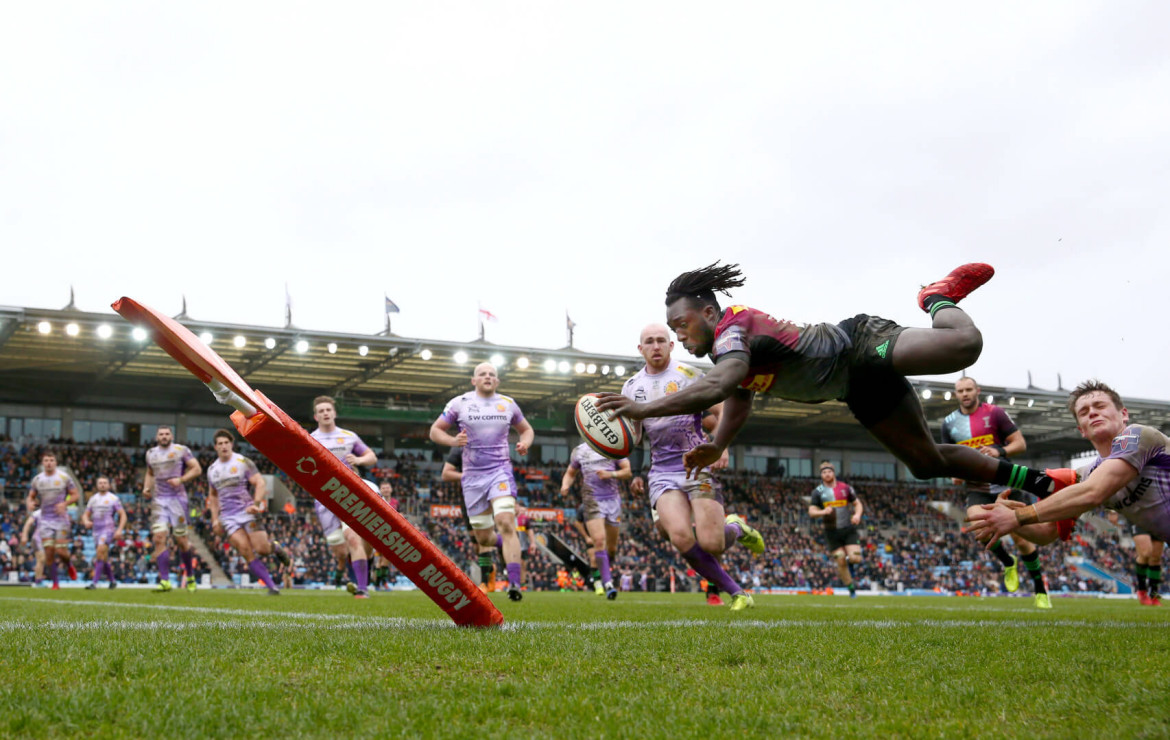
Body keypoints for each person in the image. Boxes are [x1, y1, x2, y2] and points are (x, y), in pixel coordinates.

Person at [594, 262, 1070, 502]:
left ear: (709, 312)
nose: (678, 333)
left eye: (681, 323)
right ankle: (1042, 483)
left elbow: (723, 385)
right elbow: (737, 401)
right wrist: (718, 446)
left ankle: (935, 297)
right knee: (926, 463)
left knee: (965, 346)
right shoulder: (726, 352)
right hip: (856, 388)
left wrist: (641, 409)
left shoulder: (733, 327)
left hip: (859, 343)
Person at [621, 323, 765, 612]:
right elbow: (634, 437)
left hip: (696, 466)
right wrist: (636, 472)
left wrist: (718, 445)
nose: (656, 346)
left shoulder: (689, 375)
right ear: (640, 349)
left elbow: (722, 410)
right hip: (662, 472)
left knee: (712, 543)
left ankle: (735, 527)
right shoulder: (631, 387)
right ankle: (736, 593)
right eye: (649, 341)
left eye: (662, 340)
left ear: (671, 345)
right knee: (679, 536)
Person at [966, 382, 1170, 583]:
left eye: (1100, 406)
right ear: (1081, 429)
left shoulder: (1139, 435)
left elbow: (1093, 492)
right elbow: (1045, 534)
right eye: (1084, 412)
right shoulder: (1086, 475)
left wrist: (1017, 516)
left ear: (1123, 414)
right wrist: (1004, 517)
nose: (1092, 413)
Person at [430, 362, 534, 601]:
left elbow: (526, 429)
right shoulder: (459, 403)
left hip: (500, 472)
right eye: (482, 374)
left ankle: (515, 584)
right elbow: (435, 430)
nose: (487, 377)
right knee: (484, 539)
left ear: (497, 381)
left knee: (507, 522)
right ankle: (504, 545)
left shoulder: (508, 404)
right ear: (473, 380)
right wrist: (452, 441)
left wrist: (524, 442)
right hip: (473, 478)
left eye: (492, 374)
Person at [943, 377, 1051, 608]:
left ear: (977, 391)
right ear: (956, 394)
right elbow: (948, 459)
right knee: (978, 527)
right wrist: (954, 474)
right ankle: (1007, 561)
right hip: (977, 487)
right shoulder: (949, 423)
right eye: (960, 390)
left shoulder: (995, 413)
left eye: (969, 389)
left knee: (1022, 541)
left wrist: (998, 450)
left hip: (1006, 484)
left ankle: (1040, 589)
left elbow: (1019, 444)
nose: (965, 394)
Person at [308, 395, 378, 597]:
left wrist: (358, 459)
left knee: (354, 539)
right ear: (316, 416)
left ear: (334, 413)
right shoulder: (310, 439)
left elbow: (371, 456)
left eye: (328, 410)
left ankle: (362, 589)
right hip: (324, 498)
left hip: (349, 493)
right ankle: (360, 566)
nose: (325, 413)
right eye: (321, 411)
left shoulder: (349, 436)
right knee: (340, 551)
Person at [207, 429, 287, 595]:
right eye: (220, 443)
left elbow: (260, 482)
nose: (224, 446)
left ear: (232, 444)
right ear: (215, 447)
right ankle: (271, 586)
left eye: (226, 443)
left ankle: (276, 548)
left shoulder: (243, 461)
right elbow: (213, 496)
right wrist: (215, 519)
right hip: (229, 518)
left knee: (262, 549)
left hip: (248, 511)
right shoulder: (212, 470)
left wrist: (256, 504)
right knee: (245, 550)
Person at [561, 443, 631, 598]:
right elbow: (570, 473)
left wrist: (610, 474)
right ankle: (608, 583)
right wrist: (565, 485)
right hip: (591, 500)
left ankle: (605, 571)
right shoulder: (579, 450)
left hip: (612, 501)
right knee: (599, 542)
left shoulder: (613, 446)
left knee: (611, 548)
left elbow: (627, 471)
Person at [143, 426, 202, 592]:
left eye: (167, 434)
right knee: (159, 537)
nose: (164, 436)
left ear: (172, 436)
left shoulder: (180, 450)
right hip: (159, 500)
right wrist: (147, 487)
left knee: (182, 541)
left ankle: (190, 576)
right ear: (156, 437)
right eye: (161, 434)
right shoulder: (151, 454)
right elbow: (149, 473)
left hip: (177, 500)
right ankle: (165, 581)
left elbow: (197, 469)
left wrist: (181, 480)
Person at [808, 461, 863, 598]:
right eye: (823, 472)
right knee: (840, 560)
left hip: (847, 529)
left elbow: (857, 504)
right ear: (821, 475)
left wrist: (857, 514)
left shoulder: (845, 488)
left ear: (833, 473)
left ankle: (851, 565)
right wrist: (823, 512)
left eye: (829, 471)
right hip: (831, 532)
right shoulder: (818, 492)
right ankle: (851, 589)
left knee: (856, 559)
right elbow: (812, 511)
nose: (826, 474)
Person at [26, 450, 79, 589]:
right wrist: (29, 503)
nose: (49, 463)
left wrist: (65, 504)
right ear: (43, 463)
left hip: (61, 519)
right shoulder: (38, 479)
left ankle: (69, 565)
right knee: (49, 552)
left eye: (51, 460)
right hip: (45, 520)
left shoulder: (64, 477)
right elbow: (31, 496)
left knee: (61, 552)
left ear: (56, 462)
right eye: (46, 460)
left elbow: (75, 495)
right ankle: (55, 583)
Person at [81, 475, 126, 589]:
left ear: (109, 485)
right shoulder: (93, 499)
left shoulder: (113, 498)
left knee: (100, 552)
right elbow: (86, 514)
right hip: (96, 530)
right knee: (103, 557)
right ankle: (112, 581)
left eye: (105, 483)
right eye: (100, 483)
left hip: (108, 529)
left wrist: (119, 529)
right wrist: (86, 521)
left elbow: (123, 514)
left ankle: (94, 583)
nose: (102, 485)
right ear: (97, 485)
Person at [1110, 512, 1162, 606]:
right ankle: (1142, 590)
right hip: (1138, 512)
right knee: (1146, 552)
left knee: (1156, 557)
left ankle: (1153, 594)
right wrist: (1112, 511)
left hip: (1158, 514)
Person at [18, 509, 45, 586]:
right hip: (37, 538)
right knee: (41, 559)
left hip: (45, 539)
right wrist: (24, 535)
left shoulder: (51, 512)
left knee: (41, 560)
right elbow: (28, 523)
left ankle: (38, 579)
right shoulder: (38, 513)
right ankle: (38, 580)